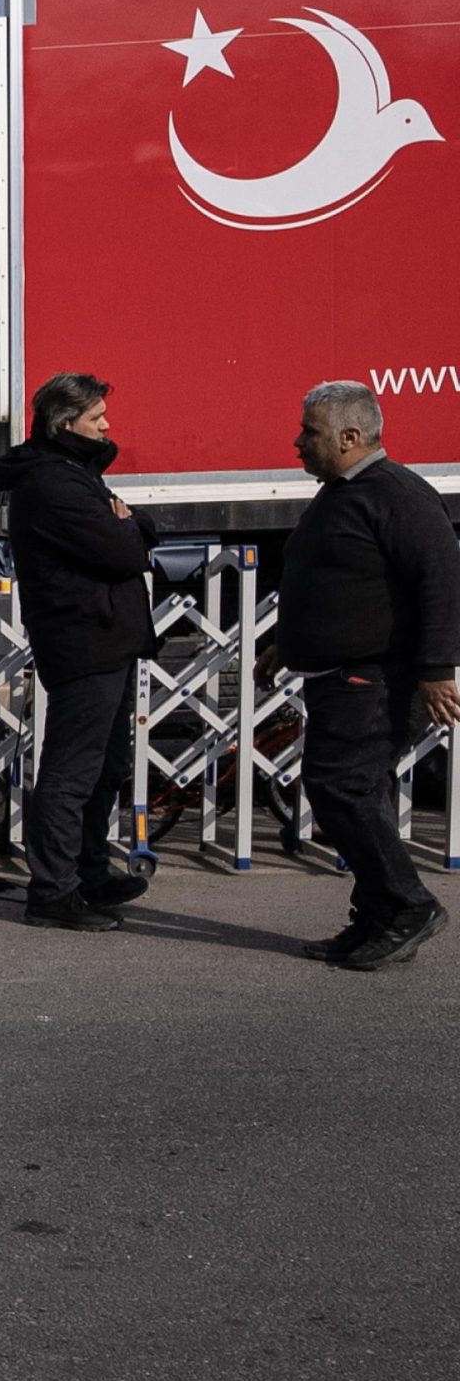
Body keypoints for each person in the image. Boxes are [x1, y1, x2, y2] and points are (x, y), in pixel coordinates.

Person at [271, 381, 460, 970]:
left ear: (351, 437)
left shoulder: (397, 494)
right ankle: (378, 914)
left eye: (310, 432)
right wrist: (282, 643)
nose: (298, 442)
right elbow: (330, 578)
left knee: (340, 786)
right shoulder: (341, 492)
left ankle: (407, 905)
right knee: (359, 790)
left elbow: (440, 580)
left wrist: (435, 670)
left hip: (376, 676)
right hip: (340, 672)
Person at [0, 372, 158, 932]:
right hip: (84, 638)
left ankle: (87, 871)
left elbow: (127, 534)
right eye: (97, 419)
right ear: (67, 424)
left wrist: (131, 526)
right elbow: (120, 550)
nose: (107, 426)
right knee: (73, 769)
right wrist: (132, 528)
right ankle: (54, 889)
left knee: (107, 766)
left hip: (104, 637)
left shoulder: (70, 473)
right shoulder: (54, 484)